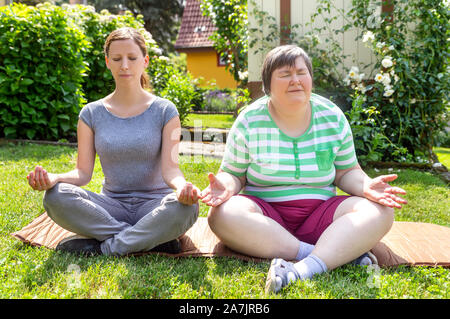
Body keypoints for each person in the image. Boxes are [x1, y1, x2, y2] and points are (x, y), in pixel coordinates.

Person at [201, 45, 407, 294]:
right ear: (267, 85)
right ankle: (331, 253)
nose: (295, 80)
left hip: (322, 217)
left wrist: (365, 185)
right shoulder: (249, 121)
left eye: (302, 72)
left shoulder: (332, 116)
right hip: (266, 219)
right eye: (285, 74)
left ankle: (303, 269)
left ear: (310, 79)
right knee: (221, 215)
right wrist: (226, 185)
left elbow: (346, 171)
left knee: (381, 211)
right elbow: (234, 174)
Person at [26, 27, 201, 256]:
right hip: (110, 209)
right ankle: (148, 239)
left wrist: (182, 188)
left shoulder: (165, 111)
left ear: (145, 61)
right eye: (117, 59)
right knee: (55, 196)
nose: (124, 65)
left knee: (187, 208)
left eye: (132, 58)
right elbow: (82, 173)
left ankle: (107, 248)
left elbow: (171, 170)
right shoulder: (90, 114)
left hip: (155, 207)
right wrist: (53, 178)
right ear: (107, 62)